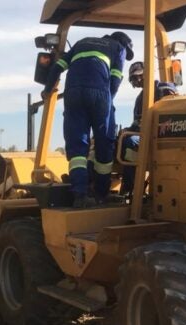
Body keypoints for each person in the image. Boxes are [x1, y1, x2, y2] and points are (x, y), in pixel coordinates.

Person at [43, 31, 134, 208]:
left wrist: (47, 90)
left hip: (73, 93)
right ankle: (100, 193)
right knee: (104, 144)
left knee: (77, 148)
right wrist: (107, 102)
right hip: (100, 94)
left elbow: (57, 67)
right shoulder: (118, 47)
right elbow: (115, 80)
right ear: (122, 42)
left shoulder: (81, 42)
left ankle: (80, 195)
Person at [119, 61, 177, 195]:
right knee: (120, 140)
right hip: (145, 135)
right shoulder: (140, 99)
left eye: (138, 76)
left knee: (130, 142)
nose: (136, 80)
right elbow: (137, 123)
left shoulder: (163, 89)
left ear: (147, 74)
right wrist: (126, 130)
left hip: (162, 136)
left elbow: (171, 116)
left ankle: (133, 188)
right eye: (133, 78)